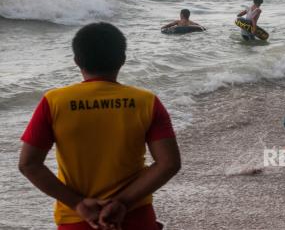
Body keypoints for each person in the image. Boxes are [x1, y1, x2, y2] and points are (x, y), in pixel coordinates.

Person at [18, 22, 181, 230]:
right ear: (122, 60)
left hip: (78, 220)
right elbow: (168, 163)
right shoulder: (146, 101)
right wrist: (122, 202)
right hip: (134, 216)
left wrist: (78, 204)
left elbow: (28, 164)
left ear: (77, 61)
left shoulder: (54, 102)